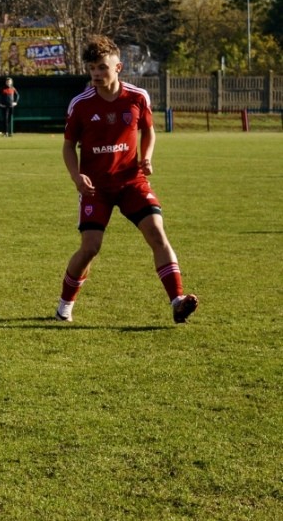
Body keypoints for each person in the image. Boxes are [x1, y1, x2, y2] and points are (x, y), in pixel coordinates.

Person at [55, 35, 198, 324]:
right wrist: (76, 176)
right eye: (92, 68)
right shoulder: (80, 104)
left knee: (157, 233)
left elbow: (149, 131)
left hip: (132, 181)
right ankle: (64, 306)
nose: (96, 73)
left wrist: (147, 156)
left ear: (118, 67)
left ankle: (177, 300)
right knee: (90, 248)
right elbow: (69, 146)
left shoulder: (137, 97)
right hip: (96, 187)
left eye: (102, 67)